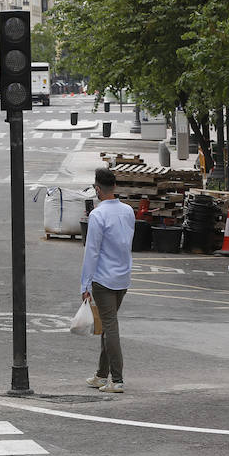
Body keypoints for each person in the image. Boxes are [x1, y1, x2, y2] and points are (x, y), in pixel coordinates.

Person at [80, 167, 135, 393]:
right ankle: (101, 375)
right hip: (122, 277)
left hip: (103, 279)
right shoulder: (128, 211)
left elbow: (91, 251)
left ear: (97, 189)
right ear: (114, 186)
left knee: (110, 327)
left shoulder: (98, 215)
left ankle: (117, 379)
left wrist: (85, 284)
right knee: (107, 325)